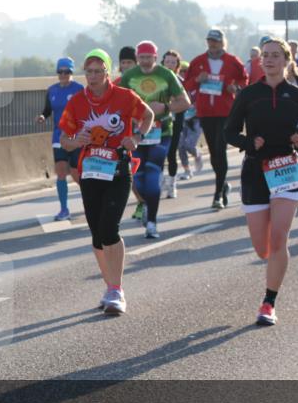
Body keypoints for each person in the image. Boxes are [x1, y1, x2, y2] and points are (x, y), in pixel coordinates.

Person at [225, 38, 298, 326]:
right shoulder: (249, 95)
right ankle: (272, 266)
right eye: (265, 55)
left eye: (275, 55)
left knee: (279, 238)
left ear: (287, 60)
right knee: (262, 248)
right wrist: (248, 143)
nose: (268, 60)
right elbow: (229, 133)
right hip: (255, 170)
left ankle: (268, 302)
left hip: (286, 169)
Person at [59, 48, 154, 314]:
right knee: (97, 234)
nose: (92, 76)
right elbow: (64, 140)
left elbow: (148, 116)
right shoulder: (77, 101)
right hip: (90, 172)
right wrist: (75, 141)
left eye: (98, 71)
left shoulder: (124, 97)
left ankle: (116, 290)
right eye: (88, 72)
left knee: (109, 228)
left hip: (118, 170)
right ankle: (109, 285)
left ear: (108, 72)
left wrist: (136, 138)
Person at [118, 41, 190, 238]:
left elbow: (185, 102)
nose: (145, 61)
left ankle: (152, 223)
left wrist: (166, 108)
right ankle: (147, 205)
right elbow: (116, 100)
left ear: (155, 58)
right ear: (137, 59)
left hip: (161, 133)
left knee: (152, 174)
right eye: (141, 57)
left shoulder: (167, 75)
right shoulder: (129, 76)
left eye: (148, 57)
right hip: (136, 135)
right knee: (138, 178)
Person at [183, 29, 249, 209]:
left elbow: (244, 81)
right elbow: (186, 85)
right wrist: (197, 79)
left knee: (221, 149)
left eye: (216, 41)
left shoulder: (233, 61)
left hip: (226, 112)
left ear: (222, 43)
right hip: (205, 112)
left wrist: (235, 87)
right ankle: (224, 183)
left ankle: (217, 194)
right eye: (210, 41)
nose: (212, 45)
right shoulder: (198, 62)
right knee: (214, 153)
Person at [37, 57, 85, 220]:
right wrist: (43, 116)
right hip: (59, 136)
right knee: (61, 172)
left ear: (72, 72)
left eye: (67, 71)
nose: (64, 74)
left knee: (75, 173)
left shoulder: (79, 89)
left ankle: (91, 198)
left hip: (76, 137)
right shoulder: (52, 90)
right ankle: (64, 209)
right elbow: (47, 110)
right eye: (61, 72)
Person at [161, 49, 189, 193]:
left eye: (173, 62)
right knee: (159, 152)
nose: (170, 64)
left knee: (172, 153)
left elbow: (186, 102)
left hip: (176, 120)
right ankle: (158, 181)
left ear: (177, 65)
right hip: (160, 121)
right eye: (167, 61)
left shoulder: (180, 81)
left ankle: (172, 184)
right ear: (162, 62)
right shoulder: (157, 79)